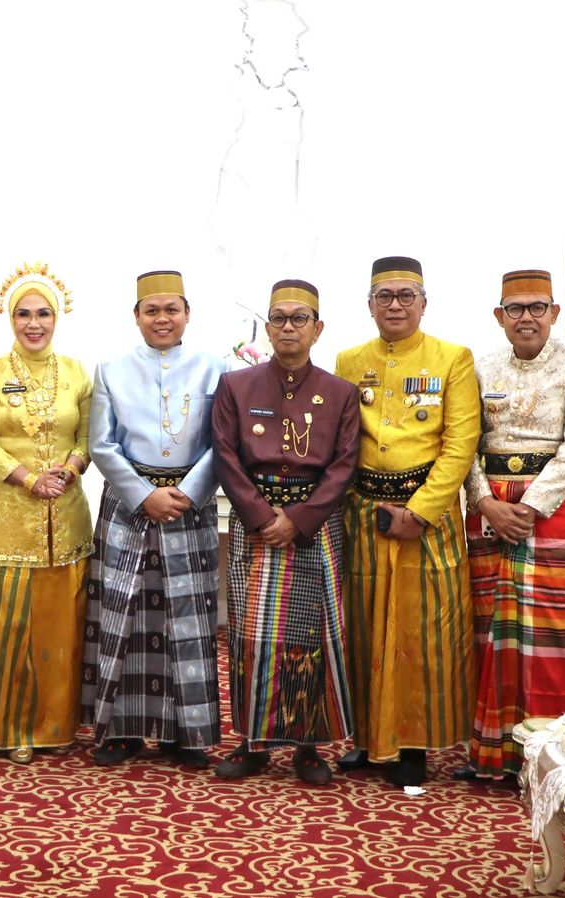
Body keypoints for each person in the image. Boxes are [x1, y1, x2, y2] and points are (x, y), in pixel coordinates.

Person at [334, 256, 479, 787]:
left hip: (426, 520)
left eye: (405, 296)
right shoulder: (349, 360)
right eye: (385, 296)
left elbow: (460, 443)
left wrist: (420, 511)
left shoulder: (452, 358)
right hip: (366, 514)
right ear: (370, 305)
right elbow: (341, 437)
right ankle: (369, 738)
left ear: (424, 302)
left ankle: (414, 742)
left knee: (423, 632)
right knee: (365, 624)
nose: (395, 305)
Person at [211, 279, 359, 785]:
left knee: (312, 634)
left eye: (300, 319)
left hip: (315, 525)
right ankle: (252, 742)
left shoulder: (340, 393)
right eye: (279, 318)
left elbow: (344, 465)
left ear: (318, 328)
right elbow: (226, 457)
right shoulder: (236, 386)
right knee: (251, 636)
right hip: (255, 524)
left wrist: (298, 519)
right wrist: (261, 516)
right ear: (268, 327)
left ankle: (308, 745)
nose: (288, 327)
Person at [0, 263, 93, 763]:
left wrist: (69, 470)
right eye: (24, 314)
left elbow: (87, 437)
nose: (34, 323)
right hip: (5, 520)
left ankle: (55, 727)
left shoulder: (76, 372)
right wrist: (30, 479)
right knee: (2, 626)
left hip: (64, 518)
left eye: (43, 313)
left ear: (56, 318)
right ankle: (3, 728)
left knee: (60, 627)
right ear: (11, 319)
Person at [82, 270, 227, 768]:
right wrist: (144, 495)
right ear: (136, 316)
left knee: (186, 621)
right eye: (152, 310)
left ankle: (184, 734)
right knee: (123, 614)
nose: (162, 319)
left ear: (187, 313)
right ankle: (121, 731)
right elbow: (101, 444)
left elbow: (222, 443)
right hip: (128, 507)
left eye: (171, 309)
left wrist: (186, 493)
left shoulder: (215, 369)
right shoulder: (111, 370)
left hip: (190, 507)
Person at [463, 269, 565, 781]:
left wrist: (532, 506)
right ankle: (491, 755)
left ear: (554, 312)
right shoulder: (480, 367)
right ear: (499, 316)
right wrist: (484, 501)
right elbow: (465, 443)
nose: (527, 318)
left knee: (549, 637)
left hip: (554, 508)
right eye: (515, 308)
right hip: (491, 509)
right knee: (489, 631)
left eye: (537, 307)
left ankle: (546, 760)